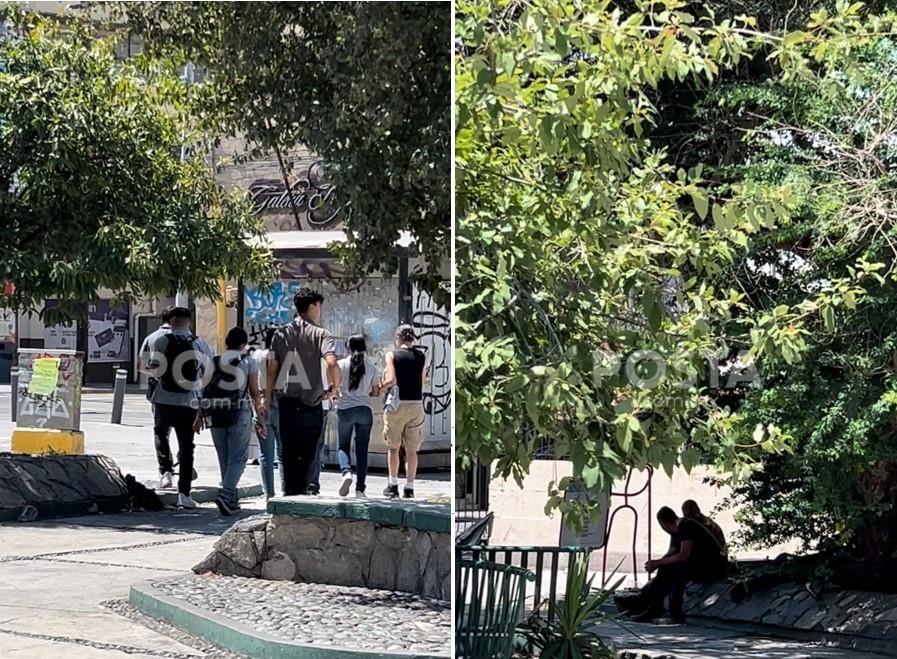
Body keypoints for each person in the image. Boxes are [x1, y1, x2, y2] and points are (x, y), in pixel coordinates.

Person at [262, 287, 340, 496]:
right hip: (310, 403)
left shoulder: (281, 334)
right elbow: (332, 362)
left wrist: (266, 399)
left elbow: (271, 368)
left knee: (287, 452)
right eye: (319, 306)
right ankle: (305, 495)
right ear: (312, 306)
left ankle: (289, 495)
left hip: (285, 402)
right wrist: (334, 388)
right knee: (308, 453)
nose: (320, 311)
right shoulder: (321, 334)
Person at [142, 306, 212, 508]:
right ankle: (185, 494)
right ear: (188, 322)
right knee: (187, 446)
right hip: (189, 401)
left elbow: (147, 367)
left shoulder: (158, 340)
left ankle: (165, 472)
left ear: (171, 321)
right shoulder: (199, 343)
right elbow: (207, 375)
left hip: (163, 399)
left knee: (161, 433)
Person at [202, 327, 262, 516]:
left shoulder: (214, 361)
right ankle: (226, 494)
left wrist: (199, 415)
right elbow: (253, 391)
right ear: (244, 344)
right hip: (239, 413)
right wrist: (260, 415)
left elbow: (203, 390)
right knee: (238, 459)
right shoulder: (248, 361)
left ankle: (231, 501)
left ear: (227, 341)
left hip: (216, 414)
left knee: (224, 458)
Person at [636, 506, 728, 623]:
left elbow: (683, 555)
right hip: (697, 564)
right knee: (666, 567)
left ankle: (674, 613)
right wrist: (656, 564)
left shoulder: (686, 526)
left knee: (679, 568)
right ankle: (654, 608)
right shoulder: (675, 532)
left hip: (712, 567)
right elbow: (671, 553)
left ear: (664, 523)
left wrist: (659, 562)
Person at [380, 324, 429, 499]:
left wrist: (379, 387)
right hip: (416, 404)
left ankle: (393, 486)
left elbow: (391, 379)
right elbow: (423, 380)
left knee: (393, 448)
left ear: (398, 338)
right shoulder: (421, 356)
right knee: (412, 450)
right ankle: (409, 488)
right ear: (412, 339)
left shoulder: (392, 355)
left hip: (397, 405)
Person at [335, 335, 380, 497]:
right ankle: (360, 489)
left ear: (348, 347)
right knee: (362, 450)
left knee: (343, 446)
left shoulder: (340, 365)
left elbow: (335, 387)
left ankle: (346, 473)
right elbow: (375, 392)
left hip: (345, 409)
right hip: (365, 410)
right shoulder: (371, 367)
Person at [251, 327, 281, 498]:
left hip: (261, 406)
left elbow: (252, 386)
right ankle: (285, 491)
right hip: (281, 406)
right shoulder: (283, 357)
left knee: (265, 455)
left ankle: (268, 492)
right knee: (284, 455)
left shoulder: (256, 356)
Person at [305, 361, 331, 495]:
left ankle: (306, 482)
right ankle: (312, 483)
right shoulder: (325, 362)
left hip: (305, 405)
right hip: (322, 407)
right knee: (316, 447)